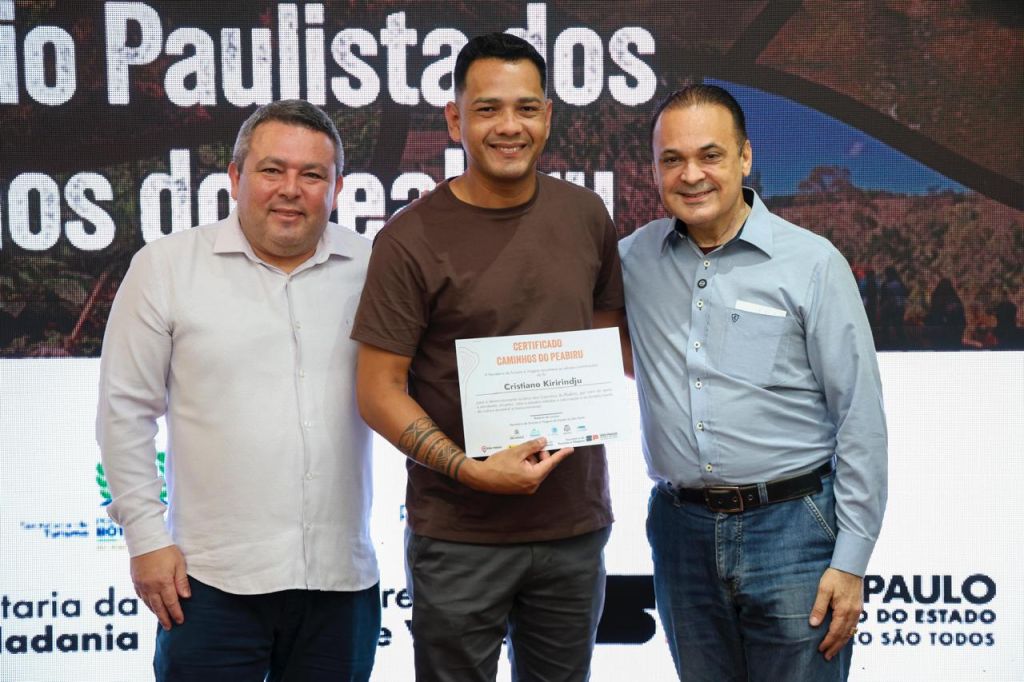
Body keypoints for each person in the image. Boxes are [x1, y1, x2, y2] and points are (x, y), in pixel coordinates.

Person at [351, 32, 625, 682]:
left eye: (526, 108)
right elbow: (378, 390)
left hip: (573, 527)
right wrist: (468, 469)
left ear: (548, 116)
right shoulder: (408, 239)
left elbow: (605, 337)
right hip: (458, 535)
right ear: (455, 119)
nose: (509, 126)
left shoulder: (586, 216)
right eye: (488, 109)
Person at [96, 100, 380, 681]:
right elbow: (124, 413)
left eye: (312, 174)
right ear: (235, 176)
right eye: (272, 170)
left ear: (336, 188)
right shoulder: (167, 268)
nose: (290, 189)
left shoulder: (373, 266)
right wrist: (145, 539)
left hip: (342, 583)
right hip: (207, 585)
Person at [619, 85, 887, 681]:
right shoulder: (632, 259)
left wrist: (851, 561)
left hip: (794, 531)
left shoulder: (812, 263)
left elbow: (860, 416)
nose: (691, 175)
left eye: (710, 155)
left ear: (744, 157)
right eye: (672, 159)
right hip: (681, 532)